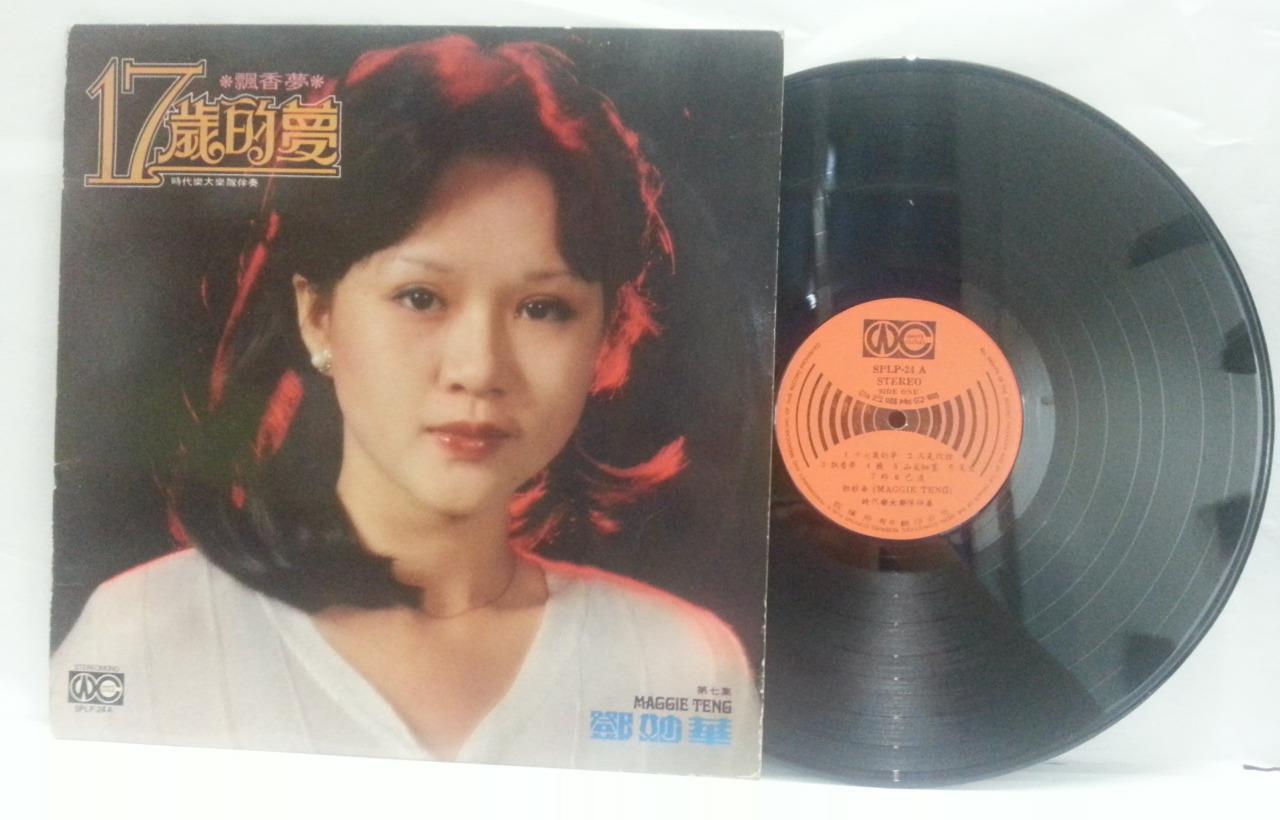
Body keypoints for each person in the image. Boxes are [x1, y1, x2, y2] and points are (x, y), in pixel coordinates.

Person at [51, 35, 760, 776]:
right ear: (318, 316)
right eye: (421, 297)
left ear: (606, 337)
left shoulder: (681, 665)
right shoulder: (144, 638)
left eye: (543, 308)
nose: (479, 369)